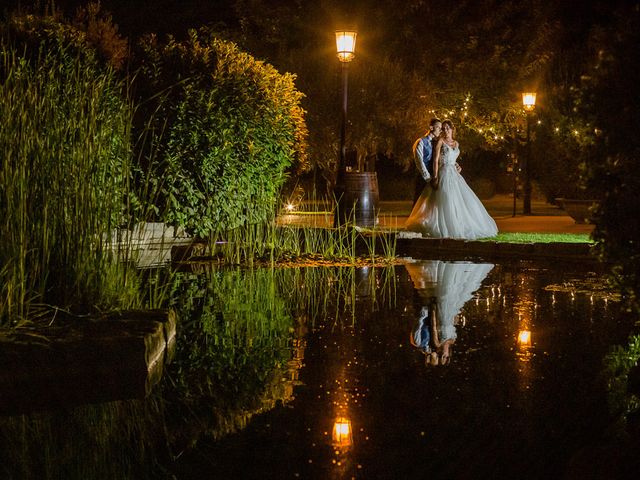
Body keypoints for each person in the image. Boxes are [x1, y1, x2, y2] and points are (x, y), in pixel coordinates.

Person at [405, 120, 498, 240]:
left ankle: (460, 224)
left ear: (452, 129)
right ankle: (445, 226)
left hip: (454, 175)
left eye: (447, 128)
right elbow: (436, 160)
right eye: (443, 128)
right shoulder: (438, 141)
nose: (445, 130)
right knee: (442, 199)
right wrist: (435, 177)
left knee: (459, 201)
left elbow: (451, 158)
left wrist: (456, 165)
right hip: (442, 173)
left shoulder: (456, 143)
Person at [412, 118, 442, 203]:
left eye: (441, 128)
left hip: (434, 177)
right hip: (423, 178)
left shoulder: (437, 143)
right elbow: (419, 162)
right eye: (438, 128)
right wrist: (428, 178)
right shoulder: (420, 142)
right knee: (419, 202)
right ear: (431, 128)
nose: (440, 130)